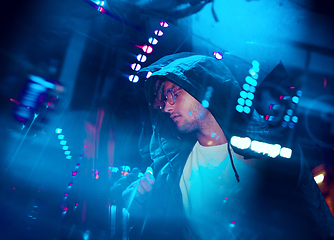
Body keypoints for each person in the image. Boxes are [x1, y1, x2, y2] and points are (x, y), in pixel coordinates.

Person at [117, 53, 334, 240]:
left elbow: (319, 225)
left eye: (173, 92)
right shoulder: (171, 168)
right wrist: (136, 208)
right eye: (161, 99)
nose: (165, 106)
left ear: (201, 87)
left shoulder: (273, 154)